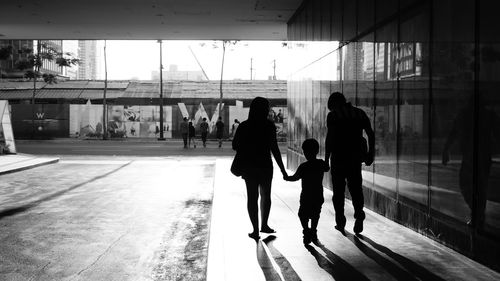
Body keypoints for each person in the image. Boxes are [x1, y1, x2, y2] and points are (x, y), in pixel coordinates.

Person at [232, 97, 288, 240]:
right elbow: (274, 148)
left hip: (249, 166)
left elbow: (235, 145)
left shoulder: (244, 125)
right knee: (266, 195)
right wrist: (282, 169)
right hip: (265, 165)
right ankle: (265, 225)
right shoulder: (268, 126)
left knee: (252, 197)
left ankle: (255, 230)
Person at [325, 92, 374, 235]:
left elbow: (330, 138)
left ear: (334, 104)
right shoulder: (359, 113)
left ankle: (340, 220)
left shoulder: (333, 116)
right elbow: (370, 133)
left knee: (338, 191)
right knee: (356, 189)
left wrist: (327, 158)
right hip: (355, 158)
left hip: (338, 158)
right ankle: (359, 213)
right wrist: (370, 154)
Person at [285, 138, 330, 244]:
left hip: (306, 195)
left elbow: (295, 177)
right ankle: (313, 231)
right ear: (317, 151)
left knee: (302, 214)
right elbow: (327, 168)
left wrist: (287, 177)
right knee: (315, 214)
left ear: (304, 152)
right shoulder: (320, 164)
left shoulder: (304, 166)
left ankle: (306, 230)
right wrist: (327, 157)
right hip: (318, 194)